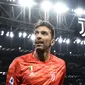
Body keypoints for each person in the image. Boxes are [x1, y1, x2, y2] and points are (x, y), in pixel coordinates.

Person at [6, 20, 66, 85]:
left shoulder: (60, 65)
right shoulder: (18, 63)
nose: (38, 36)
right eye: (36, 33)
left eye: (44, 33)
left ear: (52, 42)